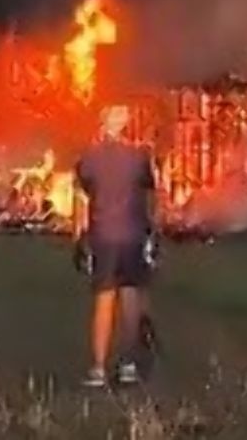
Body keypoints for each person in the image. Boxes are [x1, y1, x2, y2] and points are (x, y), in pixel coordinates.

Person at [73, 105, 158, 388]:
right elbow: (152, 196)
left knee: (104, 299)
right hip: (133, 236)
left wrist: (77, 237)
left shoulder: (89, 157)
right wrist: (152, 231)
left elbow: (80, 200)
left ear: (102, 124)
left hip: (103, 237)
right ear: (125, 125)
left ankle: (98, 369)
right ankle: (129, 366)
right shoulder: (139, 157)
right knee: (131, 299)